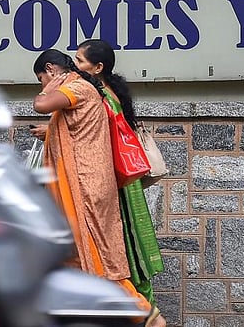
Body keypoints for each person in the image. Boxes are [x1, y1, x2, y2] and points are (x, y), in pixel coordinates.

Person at [31, 49, 161, 327]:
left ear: (51, 70)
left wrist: (47, 90)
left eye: (41, 78)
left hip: (86, 186)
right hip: (83, 184)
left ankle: (144, 314)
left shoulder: (77, 87)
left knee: (96, 256)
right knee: (77, 256)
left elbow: (40, 105)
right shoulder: (83, 89)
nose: (42, 85)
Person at [75, 39, 166, 327]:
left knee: (124, 248)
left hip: (116, 181)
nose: (74, 66)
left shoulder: (100, 97)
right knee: (130, 247)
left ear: (97, 67)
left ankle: (146, 312)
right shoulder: (111, 92)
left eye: (80, 61)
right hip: (125, 179)